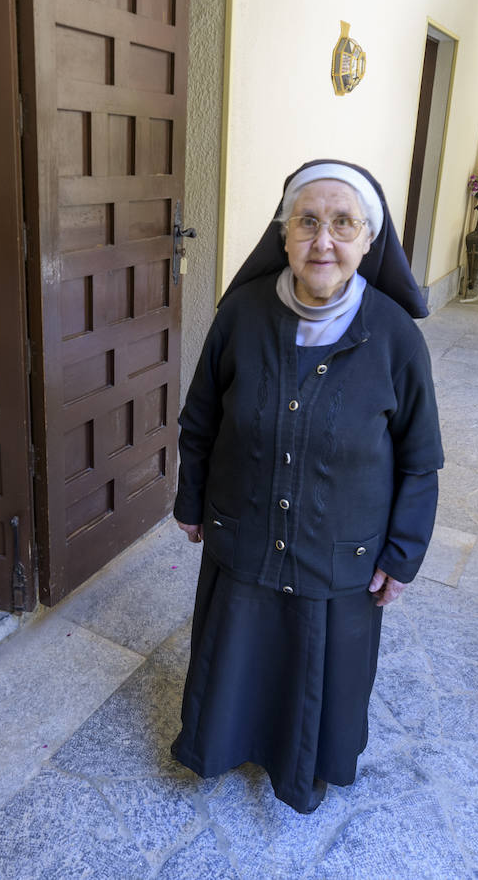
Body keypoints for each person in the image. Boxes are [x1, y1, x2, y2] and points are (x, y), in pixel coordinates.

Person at [169, 159, 443, 813]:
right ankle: (223, 743)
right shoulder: (240, 315)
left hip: (340, 552)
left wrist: (402, 553)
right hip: (245, 534)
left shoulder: (396, 337)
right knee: (238, 647)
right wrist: (190, 499)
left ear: (369, 240)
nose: (324, 242)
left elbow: (420, 458)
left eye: (343, 223)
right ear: (284, 234)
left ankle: (302, 766)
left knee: (319, 666)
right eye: (308, 222)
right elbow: (201, 417)